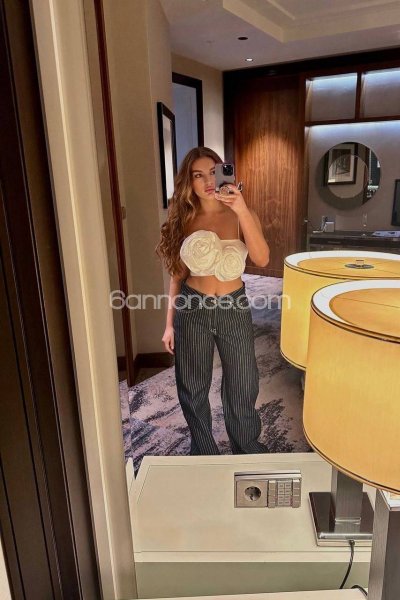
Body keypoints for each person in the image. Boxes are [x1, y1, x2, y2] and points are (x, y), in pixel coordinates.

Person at [156, 147, 270, 455]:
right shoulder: (184, 219)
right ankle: (204, 451)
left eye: (212, 172)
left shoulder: (242, 214)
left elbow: (261, 258)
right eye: (198, 175)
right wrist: (169, 325)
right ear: (188, 181)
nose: (207, 181)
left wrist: (242, 209)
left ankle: (246, 447)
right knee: (192, 385)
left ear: (223, 174)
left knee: (243, 382)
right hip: (192, 307)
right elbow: (177, 276)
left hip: (234, 306)